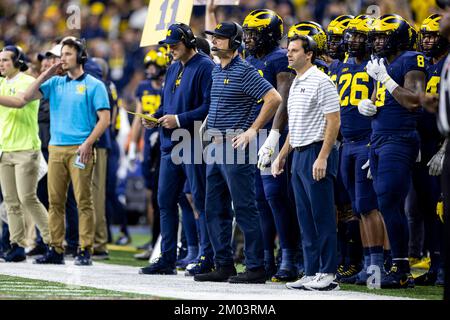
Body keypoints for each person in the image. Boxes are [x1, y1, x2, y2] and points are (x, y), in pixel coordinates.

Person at [0, 37, 111, 266]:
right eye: (62, 55)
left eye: (68, 54)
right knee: (55, 201)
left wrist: (89, 143)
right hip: (56, 148)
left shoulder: (94, 85)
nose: (63, 59)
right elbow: (27, 96)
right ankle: (56, 249)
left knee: (83, 200)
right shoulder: (55, 83)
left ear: (80, 56)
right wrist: (47, 73)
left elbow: (105, 119)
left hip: (81, 148)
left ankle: (85, 249)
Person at [193, 21, 282, 284]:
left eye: (220, 38)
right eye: (214, 37)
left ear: (234, 42)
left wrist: (252, 130)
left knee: (244, 207)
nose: (215, 41)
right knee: (214, 208)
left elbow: (274, 98)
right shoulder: (216, 71)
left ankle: (255, 267)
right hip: (216, 146)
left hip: (235, 147)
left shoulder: (245, 70)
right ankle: (224, 264)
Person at [139, 23, 215, 275]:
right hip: (169, 143)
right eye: (168, 45)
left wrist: (179, 119)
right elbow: (166, 106)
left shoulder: (205, 66)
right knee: (165, 200)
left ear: (189, 43)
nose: (170, 49)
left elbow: (209, 106)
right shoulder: (172, 68)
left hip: (192, 141)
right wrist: (155, 117)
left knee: (200, 201)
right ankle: (167, 258)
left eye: (174, 45)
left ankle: (207, 256)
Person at [357, 14, 426, 288]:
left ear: (398, 37)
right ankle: (395, 265)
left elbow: (414, 102)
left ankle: (401, 268)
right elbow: (381, 95)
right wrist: (369, 105)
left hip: (399, 138)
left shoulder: (411, 58)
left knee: (388, 201)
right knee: (384, 203)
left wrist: (385, 79)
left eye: (383, 36)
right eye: (375, 37)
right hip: (379, 138)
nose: (377, 42)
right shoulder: (383, 64)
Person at [272, 34, 341, 291]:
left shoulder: (321, 81)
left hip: (316, 151)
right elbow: (295, 125)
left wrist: (323, 156)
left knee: (321, 215)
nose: (288, 54)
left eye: (294, 50)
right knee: (304, 217)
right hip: (299, 153)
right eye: (288, 50)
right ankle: (311, 270)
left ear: (308, 53)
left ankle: (328, 272)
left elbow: (333, 121)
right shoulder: (297, 81)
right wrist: (281, 155)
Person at [242, 9, 300, 282]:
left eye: (255, 33)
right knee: (259, 200)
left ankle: (289, 256)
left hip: (274, 135)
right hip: (253, 135)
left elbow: (283, 97)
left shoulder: (279, 57)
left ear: (269, 35)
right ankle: (266, 256)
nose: (249, 38)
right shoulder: (250, 58)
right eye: (248, 32)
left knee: (276, 196)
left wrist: (274, 134)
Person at [332, 15, 390, 285]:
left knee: (369, 206)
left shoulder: (377, 66)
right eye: (351, 35)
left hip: (368, 140)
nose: (353, 40)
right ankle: (368, 264)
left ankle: (378, 267)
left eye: (359, 36)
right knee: (357, 208)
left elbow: (390, 102)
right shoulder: (340, 67)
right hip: (347, 143)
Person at [0, 45, 51, 263]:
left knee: (27, 198)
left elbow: (20, 102)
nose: (1, 64)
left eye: (5, 60)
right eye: (0, 60)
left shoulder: (28, 81)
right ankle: (17, 245)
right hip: (5, 149)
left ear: (18, 62)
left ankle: (53, 241)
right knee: (11, 201)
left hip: (26, 148)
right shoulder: (2, 83)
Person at [412, 14, 449, 286]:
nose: (427, 39)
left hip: (441, 145)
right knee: (426, 209)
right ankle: (435, 264)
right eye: (425, 34)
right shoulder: (425, 67)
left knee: (442, 209)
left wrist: (445, 148)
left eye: (433, 35)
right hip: (423, 145)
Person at [128, 48, 167, 260]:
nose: (150, 69)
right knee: (151, 194)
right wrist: (133, 144)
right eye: (148, 65)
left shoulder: (168, 85)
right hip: (148, 144)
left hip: (165, 140)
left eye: (154, 65)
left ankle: (165, 242)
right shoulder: (143, 87)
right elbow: (138, 117)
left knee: (165, 195)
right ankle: (154, 243)